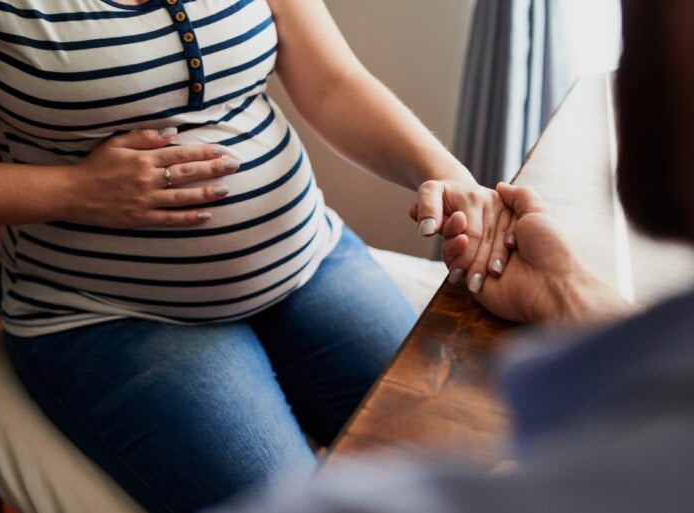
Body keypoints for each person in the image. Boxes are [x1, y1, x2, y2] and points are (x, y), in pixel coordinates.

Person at [0, 1, 513, 511]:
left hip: (308, 260)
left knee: (479, 456)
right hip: (110, 314)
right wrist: (74, 190)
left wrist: (445, 175)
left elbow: (333, 82)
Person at [203, 0, 694, 511]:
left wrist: (454, 180)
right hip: (134, 313)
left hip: (307, 258)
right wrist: (562, 288)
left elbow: (334, 81)